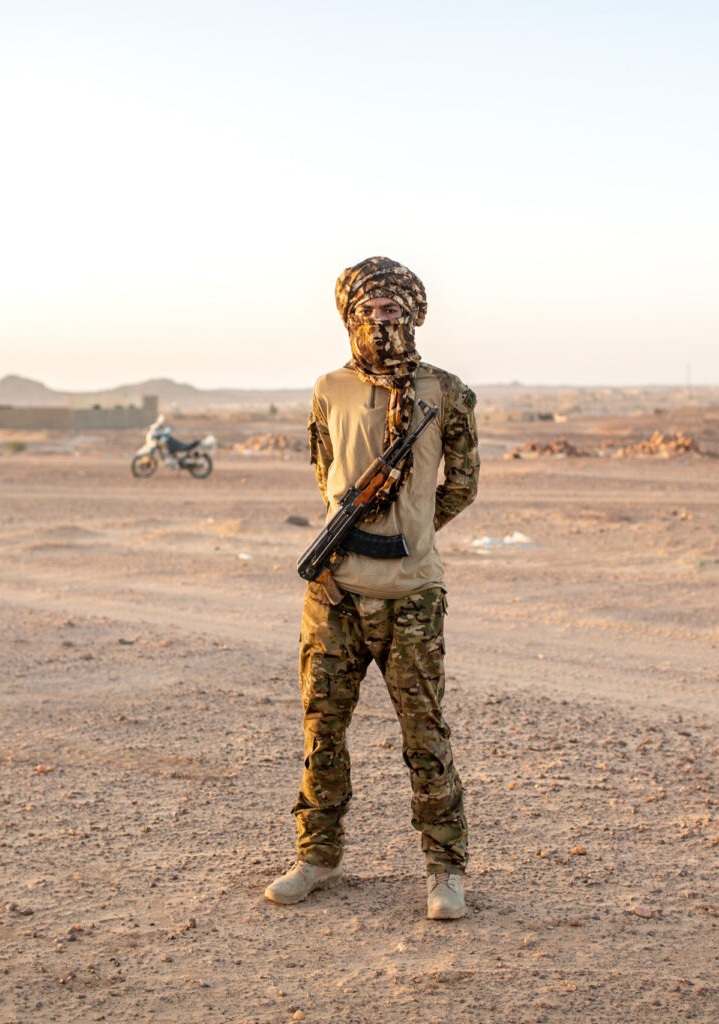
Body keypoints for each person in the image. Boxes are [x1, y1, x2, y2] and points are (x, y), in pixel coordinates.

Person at [265, 256, 480, 920]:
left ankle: (445, 871)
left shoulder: (447, 392)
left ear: (413, 313)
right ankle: (315, 858)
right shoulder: (329, 388)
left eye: (394, 306)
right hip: (334, 594)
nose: (383, 315)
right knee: (321, 734)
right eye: (370, 306)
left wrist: (413, 527)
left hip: (413, 595)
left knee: (426, 735)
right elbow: (327, 477)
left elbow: (463, 485)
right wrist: (354, 534)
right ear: (350, 316)